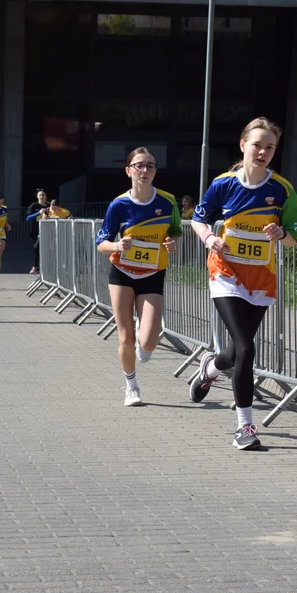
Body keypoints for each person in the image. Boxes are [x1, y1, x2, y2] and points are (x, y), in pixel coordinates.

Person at [188, 118, 297, 451]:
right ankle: (245, 427)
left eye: (270, 147)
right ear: (243, 145)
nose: (263, 152)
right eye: (257, 145)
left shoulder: (282, 189)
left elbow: (294, 237)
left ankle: (209, 367)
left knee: (237, 350)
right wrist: (210, 238)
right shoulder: (224, 184)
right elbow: (198, 218)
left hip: (260, 278)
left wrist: (282, 234)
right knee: (247, 349)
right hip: (225, 273)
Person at [95, 148, 182, 407]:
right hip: (122, 273)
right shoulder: (119, 204)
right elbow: (101, 242)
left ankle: (142, 350)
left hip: (153, 273)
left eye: (151, 166)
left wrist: (172, 242)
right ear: (128, 170)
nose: (145, 171)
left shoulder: (167, 202)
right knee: (126, 337)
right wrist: (117, 246)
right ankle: (131, 386)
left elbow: (175, 231)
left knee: (148, 341)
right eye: (139, 166)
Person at [26, 188, 48, 275]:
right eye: (40, 195)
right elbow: (28, 218)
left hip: (47, 231)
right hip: (35, 231)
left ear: (46, 196)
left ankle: (37, 267)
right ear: (37, 196)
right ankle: (37, 267)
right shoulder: (33, 206)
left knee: (39, 248)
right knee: (37, 249)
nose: (42, 197)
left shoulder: (49, 206)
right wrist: (38, 213)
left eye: (43, 195)